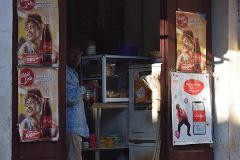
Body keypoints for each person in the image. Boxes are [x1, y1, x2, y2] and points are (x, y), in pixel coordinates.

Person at [66, 47, 89, 160]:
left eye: (78, 55)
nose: (76, 58)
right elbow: (69, 98)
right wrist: (86, 86)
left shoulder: (73, 72)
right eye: (73, 54)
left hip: (77, 128)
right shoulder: (65, 72)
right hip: (72, 127)